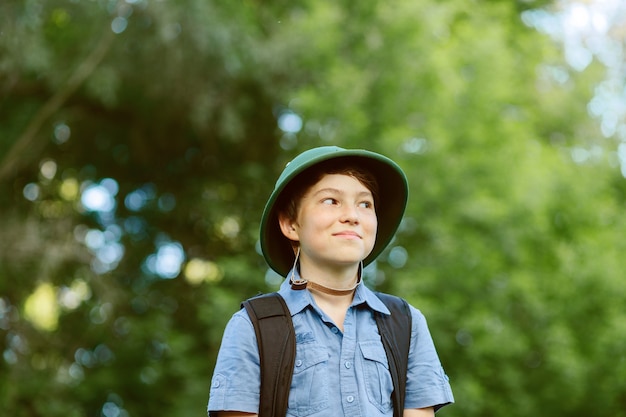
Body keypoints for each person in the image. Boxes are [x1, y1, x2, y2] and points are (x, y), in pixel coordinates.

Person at [207, 146, 454, 416]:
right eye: (331, 201)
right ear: (291, 224)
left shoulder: (405, 323)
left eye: (365, 204)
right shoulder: (253, 326)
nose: (352, 215)